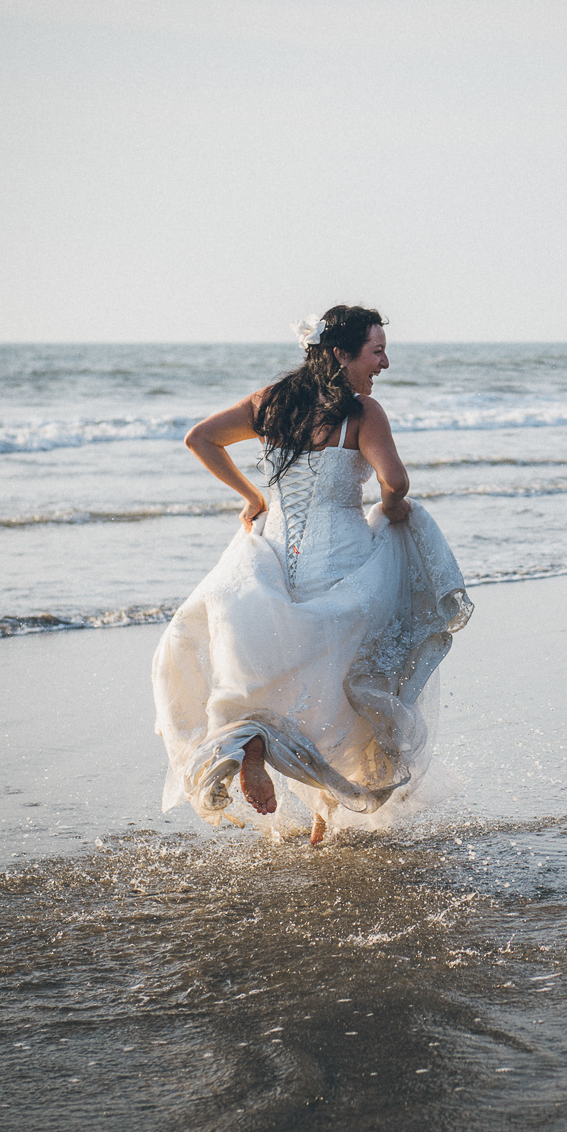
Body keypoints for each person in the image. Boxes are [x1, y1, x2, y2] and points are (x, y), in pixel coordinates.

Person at [151, 305, 472, 844]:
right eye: (376, 351)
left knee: (275, 668)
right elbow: (396, 482)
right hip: (344, 561)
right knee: (352, 684)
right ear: (342, 354)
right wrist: (393, 511)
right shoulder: (363, 413)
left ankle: (266, 759)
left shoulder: (271, 403)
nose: (385, 362)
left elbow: (199, 438)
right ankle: (324, 804)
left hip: (271, 556)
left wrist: (254, 498)